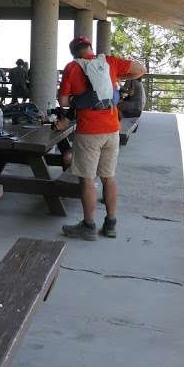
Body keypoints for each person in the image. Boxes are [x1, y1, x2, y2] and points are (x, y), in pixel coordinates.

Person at [57, 36, 145, 240]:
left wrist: (76, 98)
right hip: (112, 130)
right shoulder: (109, 62)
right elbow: (140, 70)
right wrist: (117, 80)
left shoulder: (72, 67)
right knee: (109, 177)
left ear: (73, 51)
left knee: (87, 180)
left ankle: (88, 226)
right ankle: (111, 224)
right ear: (90, 47)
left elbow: (62, 102)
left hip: (89, 131)